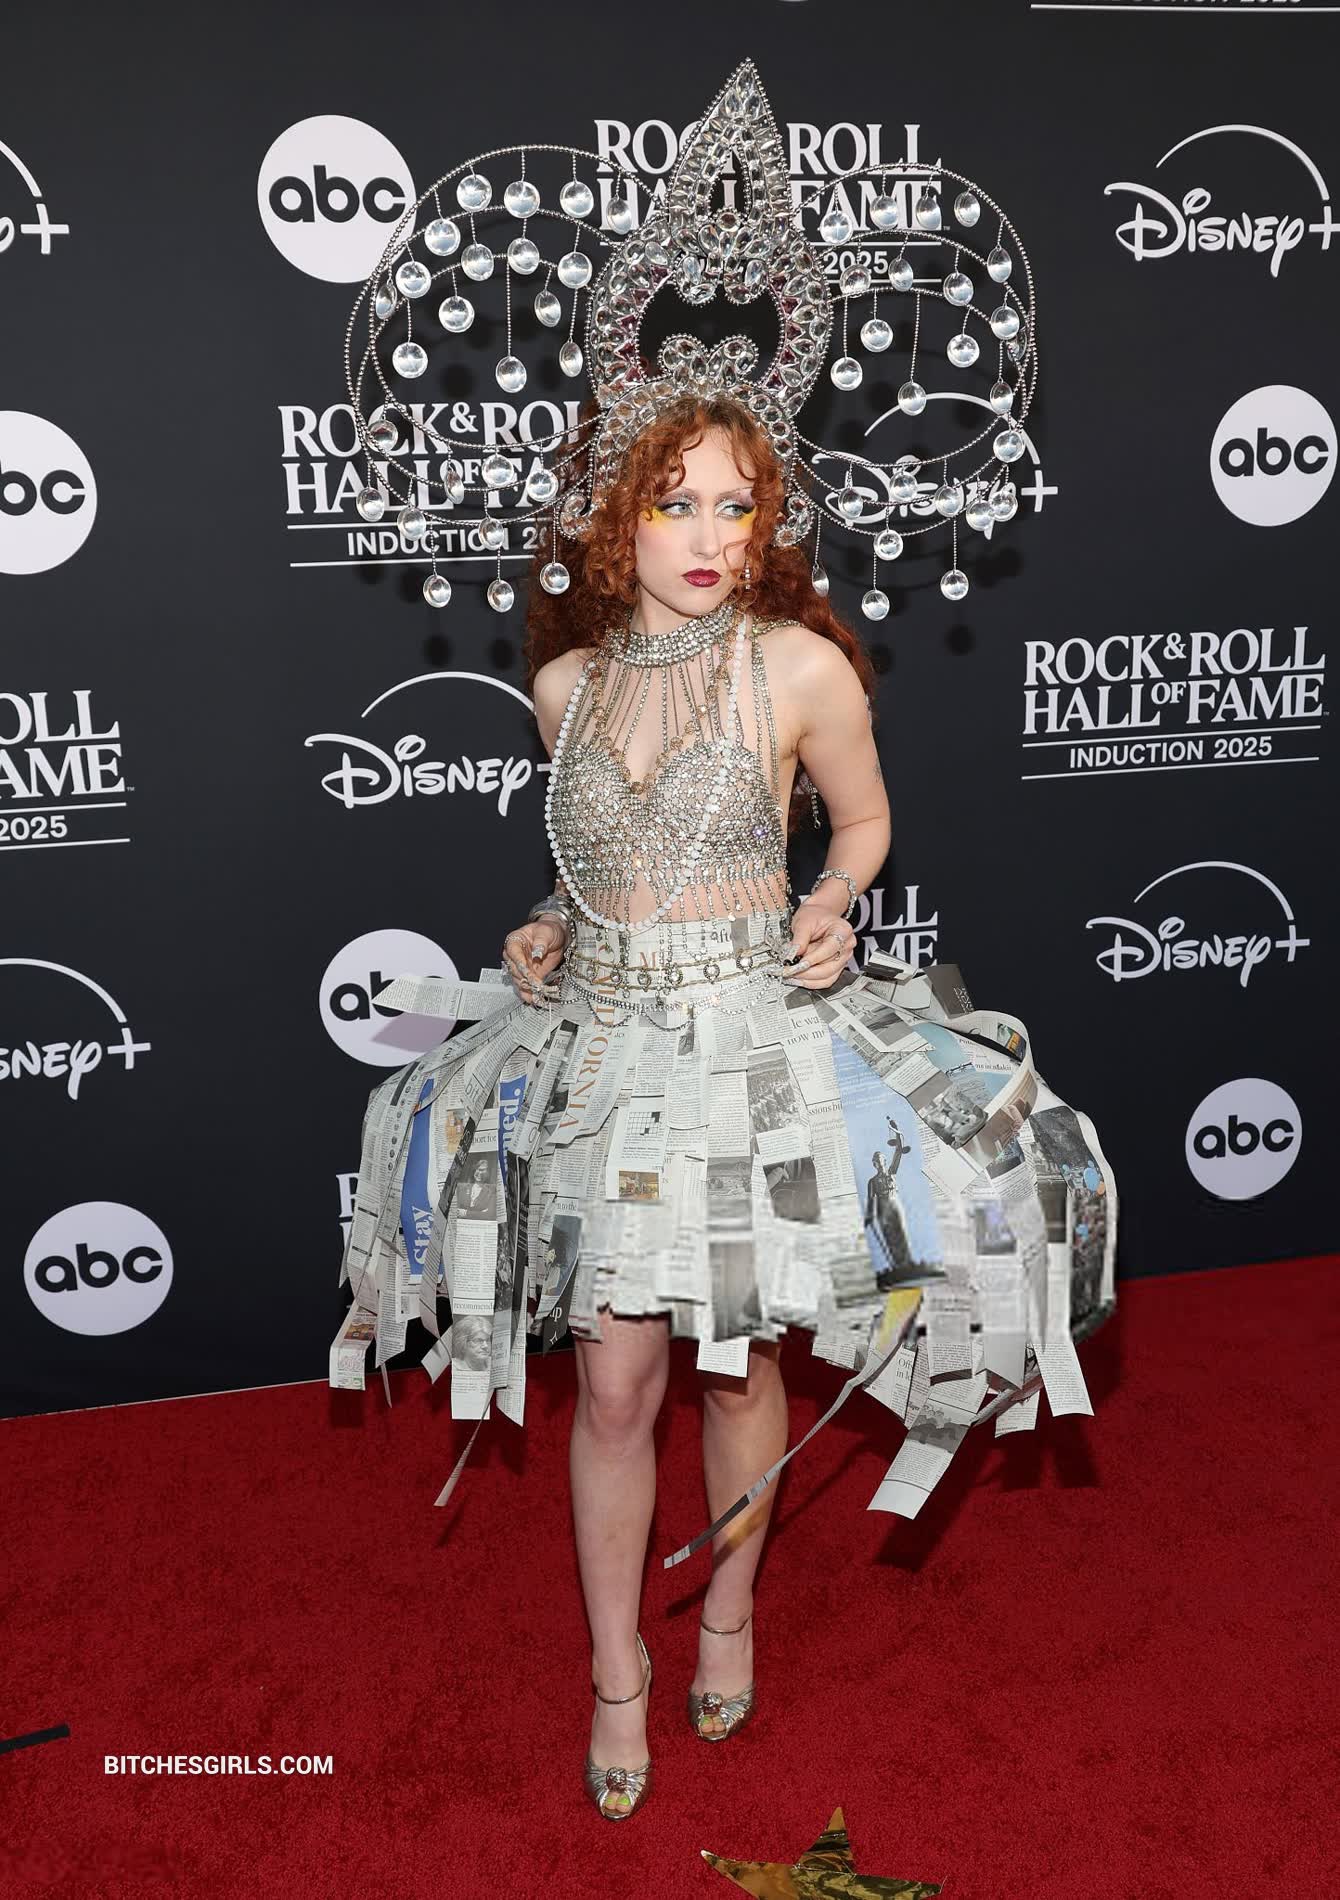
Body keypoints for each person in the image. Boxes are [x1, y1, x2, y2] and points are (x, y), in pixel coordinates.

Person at [330, 56, 1117, 1829]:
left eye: (735, 503)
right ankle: (618, 1665)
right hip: (606, 1056)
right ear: (614, 509)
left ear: (772, 516)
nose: (706, 536)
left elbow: (865, 827)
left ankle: (735, 1606)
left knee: (743, 1360)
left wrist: (832, 908)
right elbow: (602, 863)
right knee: (611, 1384)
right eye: (673, 500)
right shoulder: (562, 687)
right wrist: (548, 929)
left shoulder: (804, 667)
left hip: (754, 1050)